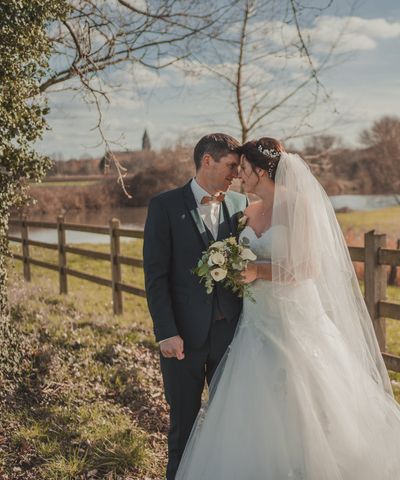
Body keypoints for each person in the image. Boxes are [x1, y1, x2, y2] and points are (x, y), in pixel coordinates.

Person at [175, 137, 400, 479]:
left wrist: (256, 271)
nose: (240, 177)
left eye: (244, 170)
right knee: (257, 405)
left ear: (261, 170)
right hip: (255, 324)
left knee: (307, 397)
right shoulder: (247, 212)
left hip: (293, 318)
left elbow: (309, 266)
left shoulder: (300, 207)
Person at [143, 133, 249, 480]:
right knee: (183, 427)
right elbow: (155, 276)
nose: (235, 173)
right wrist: (166, 332)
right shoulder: (164, 206)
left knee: (229, 427)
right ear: (208, 161)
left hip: (230, 335)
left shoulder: (239, 205)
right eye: (231, 166)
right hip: (182, 340)